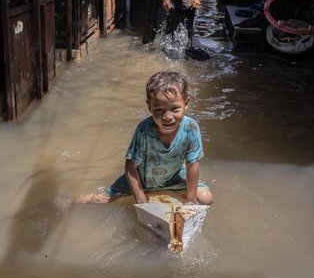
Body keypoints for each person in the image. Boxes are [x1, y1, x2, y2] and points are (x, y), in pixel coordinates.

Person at [70, 71, 213, 205]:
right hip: (142, 178)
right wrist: (141, 200)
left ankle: (162, 191)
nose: (167, 117)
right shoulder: (144, 130)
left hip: (173, 176)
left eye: (175, 109)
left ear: (186, 103)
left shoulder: (191, 128)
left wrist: (191, 198)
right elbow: (130, 167)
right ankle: (71, 200)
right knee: (102, 200)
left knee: (206, 198)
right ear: (149, 107)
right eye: (159, 110)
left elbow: (192, 164)